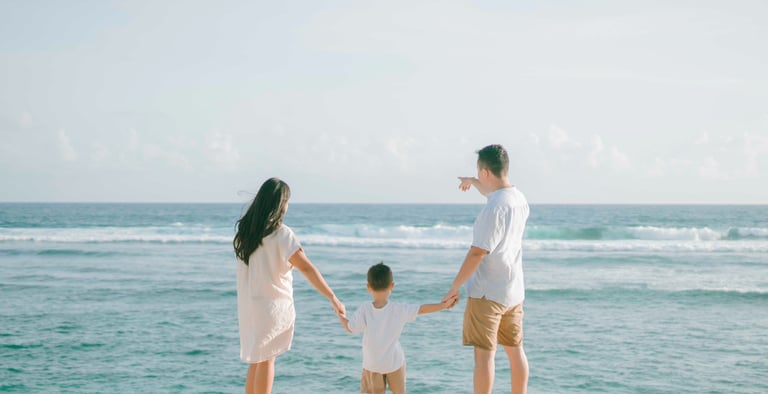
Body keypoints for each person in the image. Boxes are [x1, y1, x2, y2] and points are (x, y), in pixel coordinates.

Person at [234, 177, 346, 394]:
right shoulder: (281, 234)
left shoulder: (246, 235)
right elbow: (307, 268)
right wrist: (332, 296)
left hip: (250, 307)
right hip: (273, 307)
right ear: (279, 204)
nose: (287, 206)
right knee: (267, 359)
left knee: (257, 359)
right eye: (287, 201)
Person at [442, 144, 530, 394]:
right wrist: (473, 181)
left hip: (486, 293)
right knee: (515, 351)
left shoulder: (492, 210)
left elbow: (477, 253)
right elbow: (493, 194)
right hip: (512, 292)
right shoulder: (518, 198)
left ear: (486, 172)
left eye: (479, 171)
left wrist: (454, 286)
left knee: (484, 357)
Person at [339, 262, 454, 394]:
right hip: (394, 363)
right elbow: (422, 309)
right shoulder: (398, 309)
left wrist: (340, 315)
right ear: (392, 286)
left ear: (368, 287)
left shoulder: (365, 309)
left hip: (372, 365)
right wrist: (443, 305)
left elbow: (350, 328)